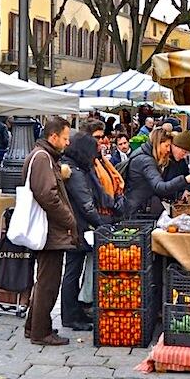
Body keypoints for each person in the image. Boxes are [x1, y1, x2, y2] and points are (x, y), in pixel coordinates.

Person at [22, 117, 78, 346]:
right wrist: (69, 219)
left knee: (44, 279)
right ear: (53, 137)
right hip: (48, 229)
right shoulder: (43, 158)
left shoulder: (44, 156)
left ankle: (32, 325)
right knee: (48, 281)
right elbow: (47, 195)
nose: (67, 143)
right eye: (65, 138)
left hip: (49, 228)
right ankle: (41, 332)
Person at [59, 132, 112, 331]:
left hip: (77, 226)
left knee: (74, 269)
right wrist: (100, 224)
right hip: (77, 227)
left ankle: (74, 313)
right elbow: (85, 203)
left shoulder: (75, 167)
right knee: (72, 270)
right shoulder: (75, 171)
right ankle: (70, 316)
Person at [123, 129, 190, 218]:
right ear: (158, 143)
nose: (168, 149)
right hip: (138, 211)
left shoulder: (148, 156)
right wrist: (186, 180)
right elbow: (160, 187)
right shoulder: (146, 161)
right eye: (167, 145)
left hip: (143, 207)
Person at [163, 131, 190, 199]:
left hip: (175, 201)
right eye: (184, 152)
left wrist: (187, 189)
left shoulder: (181, 161)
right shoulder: (163, 160)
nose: (185, 156)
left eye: (187, 153)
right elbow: (160, 187)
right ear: (175, 146)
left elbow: (186, 175)